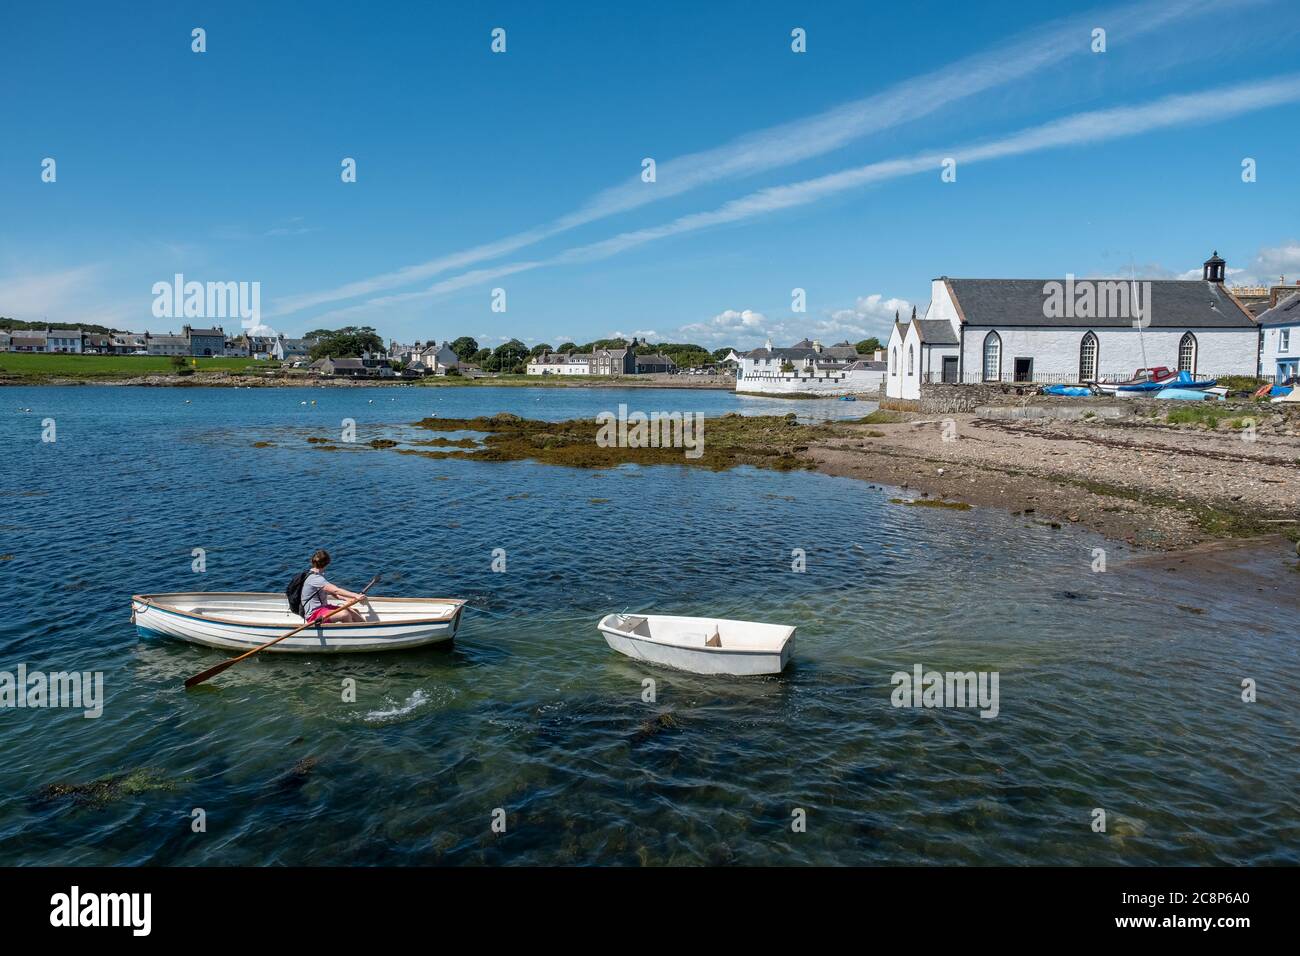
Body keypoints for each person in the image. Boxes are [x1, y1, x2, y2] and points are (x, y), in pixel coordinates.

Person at [301, 550, 365, 623]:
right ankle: (352, 633)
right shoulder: (315, 578)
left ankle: (367, 629)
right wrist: (355, 595)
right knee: (345, 614)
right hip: (314, 615)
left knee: (353, 611)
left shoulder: (315, 575)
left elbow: (333, 593)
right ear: (327, 563)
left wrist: (346, 598)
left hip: (324, 608)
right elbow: (336, 590)